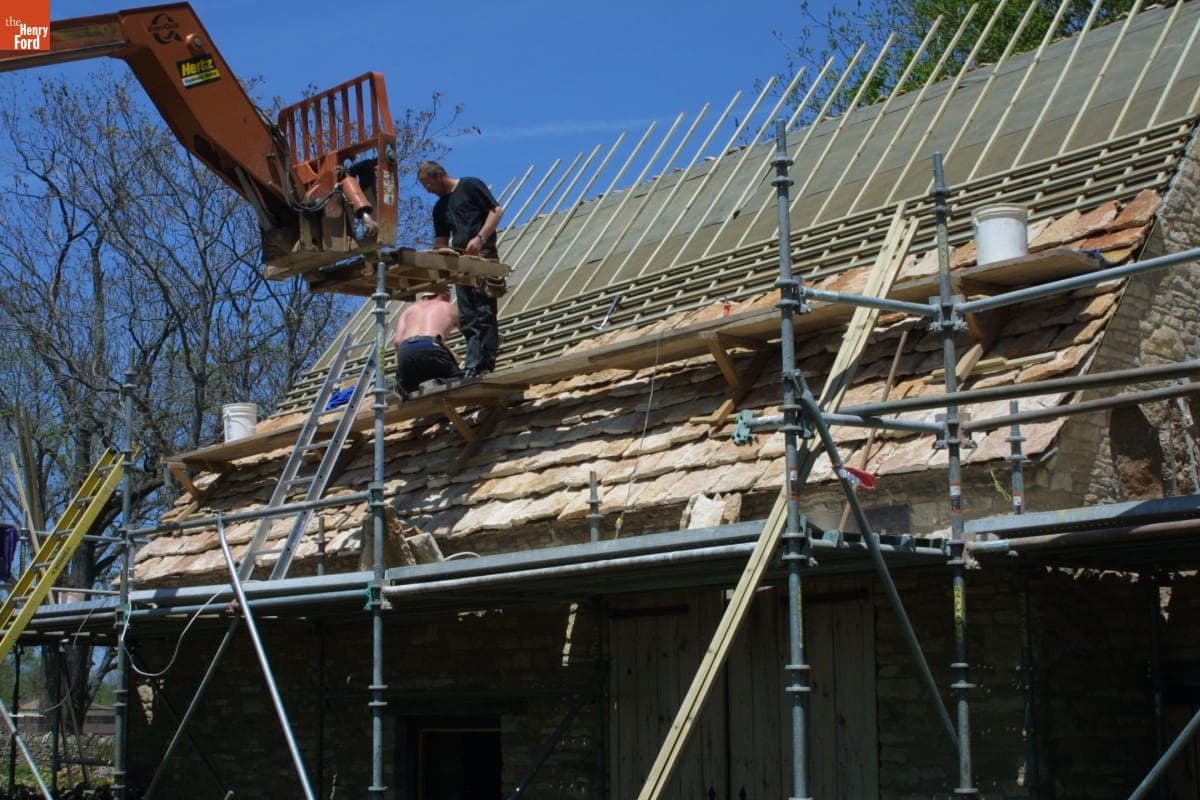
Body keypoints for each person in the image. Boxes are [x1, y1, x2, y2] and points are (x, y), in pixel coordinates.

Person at [417, 161, 504, 378]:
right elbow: (441, 240)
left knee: (484, 311)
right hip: (459, 264)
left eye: (428, 184)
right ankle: (473, 365)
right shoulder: (440, 208)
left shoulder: (469, 186)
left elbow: (496, 211)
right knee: (468, 316)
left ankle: (486, 363)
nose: (428, 190)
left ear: (439, 175)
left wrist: (480, 238)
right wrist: (441, 256)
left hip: (482, 257)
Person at [392, 290, 462, 398]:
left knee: (412, 388)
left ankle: (399, 387)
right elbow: (471, 331)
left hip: (405, 349)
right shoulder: (448, 307)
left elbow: (397, 342)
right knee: (458, 379)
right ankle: (438, 383)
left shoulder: (409, 310)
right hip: (430, 345)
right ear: (445, 294)